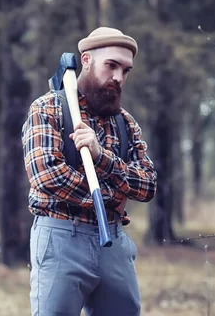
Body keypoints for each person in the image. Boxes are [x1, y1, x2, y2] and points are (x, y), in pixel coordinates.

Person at [21, 26, 158, 316]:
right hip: (61, 237)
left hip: (114, 244)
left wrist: (102, 157)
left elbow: (147, 185)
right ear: (85, 60)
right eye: (111, 65)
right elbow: (49, 177)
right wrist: (115, 195)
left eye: (125, 70)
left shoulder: (126, 123)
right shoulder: (48, 109)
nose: (118, 77)